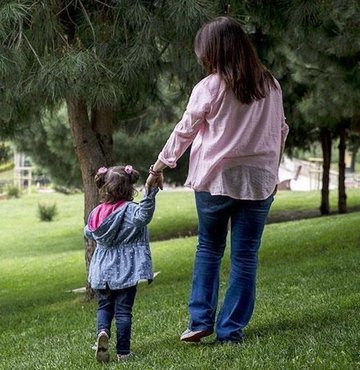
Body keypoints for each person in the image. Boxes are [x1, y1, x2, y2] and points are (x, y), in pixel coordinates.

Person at [145, 16, 289, 344]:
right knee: (245, 254)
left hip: (216, 180)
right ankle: (230, 330)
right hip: (259, 182)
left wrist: (159, 166)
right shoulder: (271, 84)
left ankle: (199, 321)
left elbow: (186, 130)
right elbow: (281, 130)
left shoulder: (210, 86)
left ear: (213, 51)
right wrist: (273, 171)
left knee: (209, 247)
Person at [85, 165, 158, 362]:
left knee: (104, 307)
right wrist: (150, 194)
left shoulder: (96, 212)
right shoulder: (131, 210)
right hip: (125, 270)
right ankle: (123, 352)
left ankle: (103, 332)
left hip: (101, 270)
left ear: (104, 187)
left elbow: (88, 232)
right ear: (129, 188)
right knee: (124, 312)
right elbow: (144, 216)